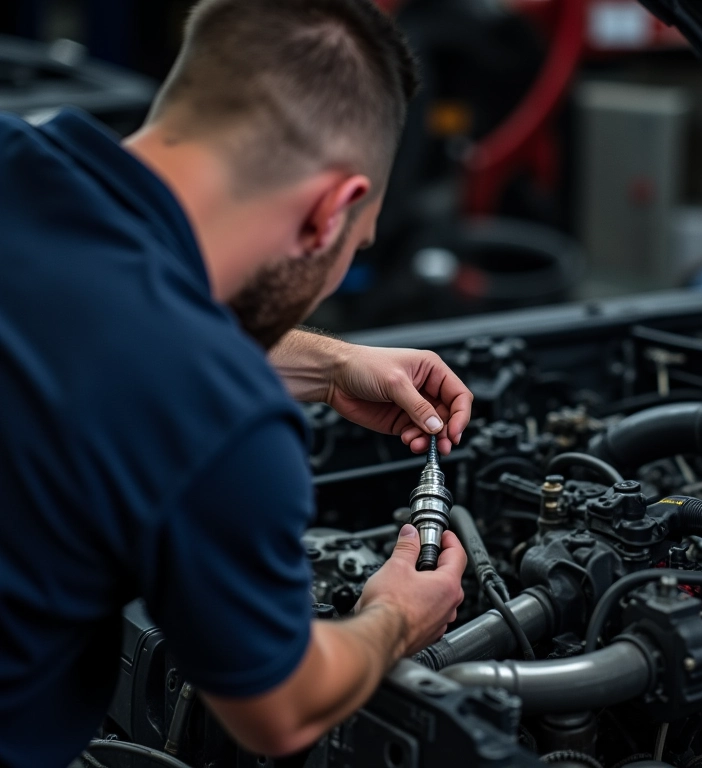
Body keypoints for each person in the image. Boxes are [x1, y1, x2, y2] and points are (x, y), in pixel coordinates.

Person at [0, 1, 472, 766]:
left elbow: (91, 323)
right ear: (334, 210)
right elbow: (277, 711)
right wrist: (394, 616)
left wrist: (325, 365)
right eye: (358, 243)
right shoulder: (225, 419)